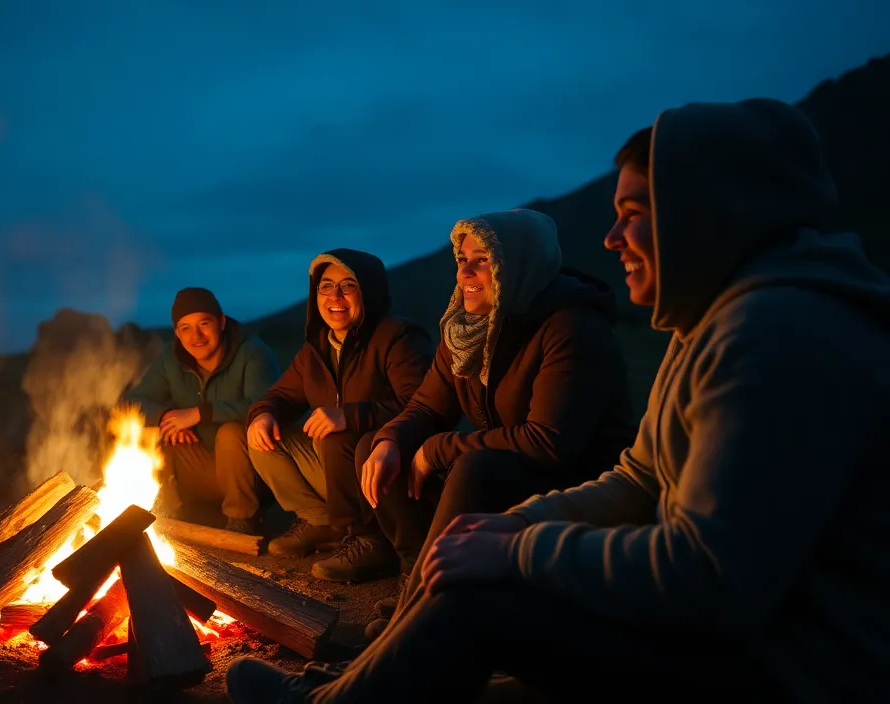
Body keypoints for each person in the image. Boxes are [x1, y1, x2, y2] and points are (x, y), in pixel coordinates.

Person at [225, 97, 890, 703]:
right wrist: (499, 517)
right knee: (442, 494)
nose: (609, 240)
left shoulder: (777, 339)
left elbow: (709, 577)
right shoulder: (709, 330)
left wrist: (517, 547)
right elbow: (639, 477)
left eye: (632, 216)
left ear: (706, 211)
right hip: (701, 610)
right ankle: (384, 651)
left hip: (792, 668)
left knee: (478, 570)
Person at [357, 209, 637, 639]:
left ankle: (422, 618)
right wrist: (390, 439)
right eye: (461, 259)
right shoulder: (465, 330)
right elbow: (427, 408)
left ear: (519, 263)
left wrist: (439, 449)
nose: (465, 271)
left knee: (474, 466)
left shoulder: (570, 326)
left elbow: (549, 442)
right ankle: (418, 578)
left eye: (482, 259)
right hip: (514, 464)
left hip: (578, 484)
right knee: (377, 452)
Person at [247, 249, 433, 582]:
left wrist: (349, 416)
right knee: (264, 436)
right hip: (341, 469)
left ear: (369, 291)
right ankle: (324, 523)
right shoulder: (317, 347)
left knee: (338, 436)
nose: (335, 296)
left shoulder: (398, 337)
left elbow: (423, 404)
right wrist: (263, 413)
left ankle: (370, 540)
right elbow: (280, 395)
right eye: (326, 286)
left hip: (387, 465)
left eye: (348, 286)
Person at [124, 287, 280, 533]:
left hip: (256, 474)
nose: (196, 335)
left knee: (231, 432)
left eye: (204, 324)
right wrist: (166, 418)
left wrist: (199, 413)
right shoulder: (172, 358)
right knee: (151, 431)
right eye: (186, 328)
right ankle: (164, 517)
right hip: (203, 470)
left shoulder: (253, 353)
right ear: (177, 332)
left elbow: (266, 403)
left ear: (221, 322)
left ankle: (242, 522)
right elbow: (132, 403)